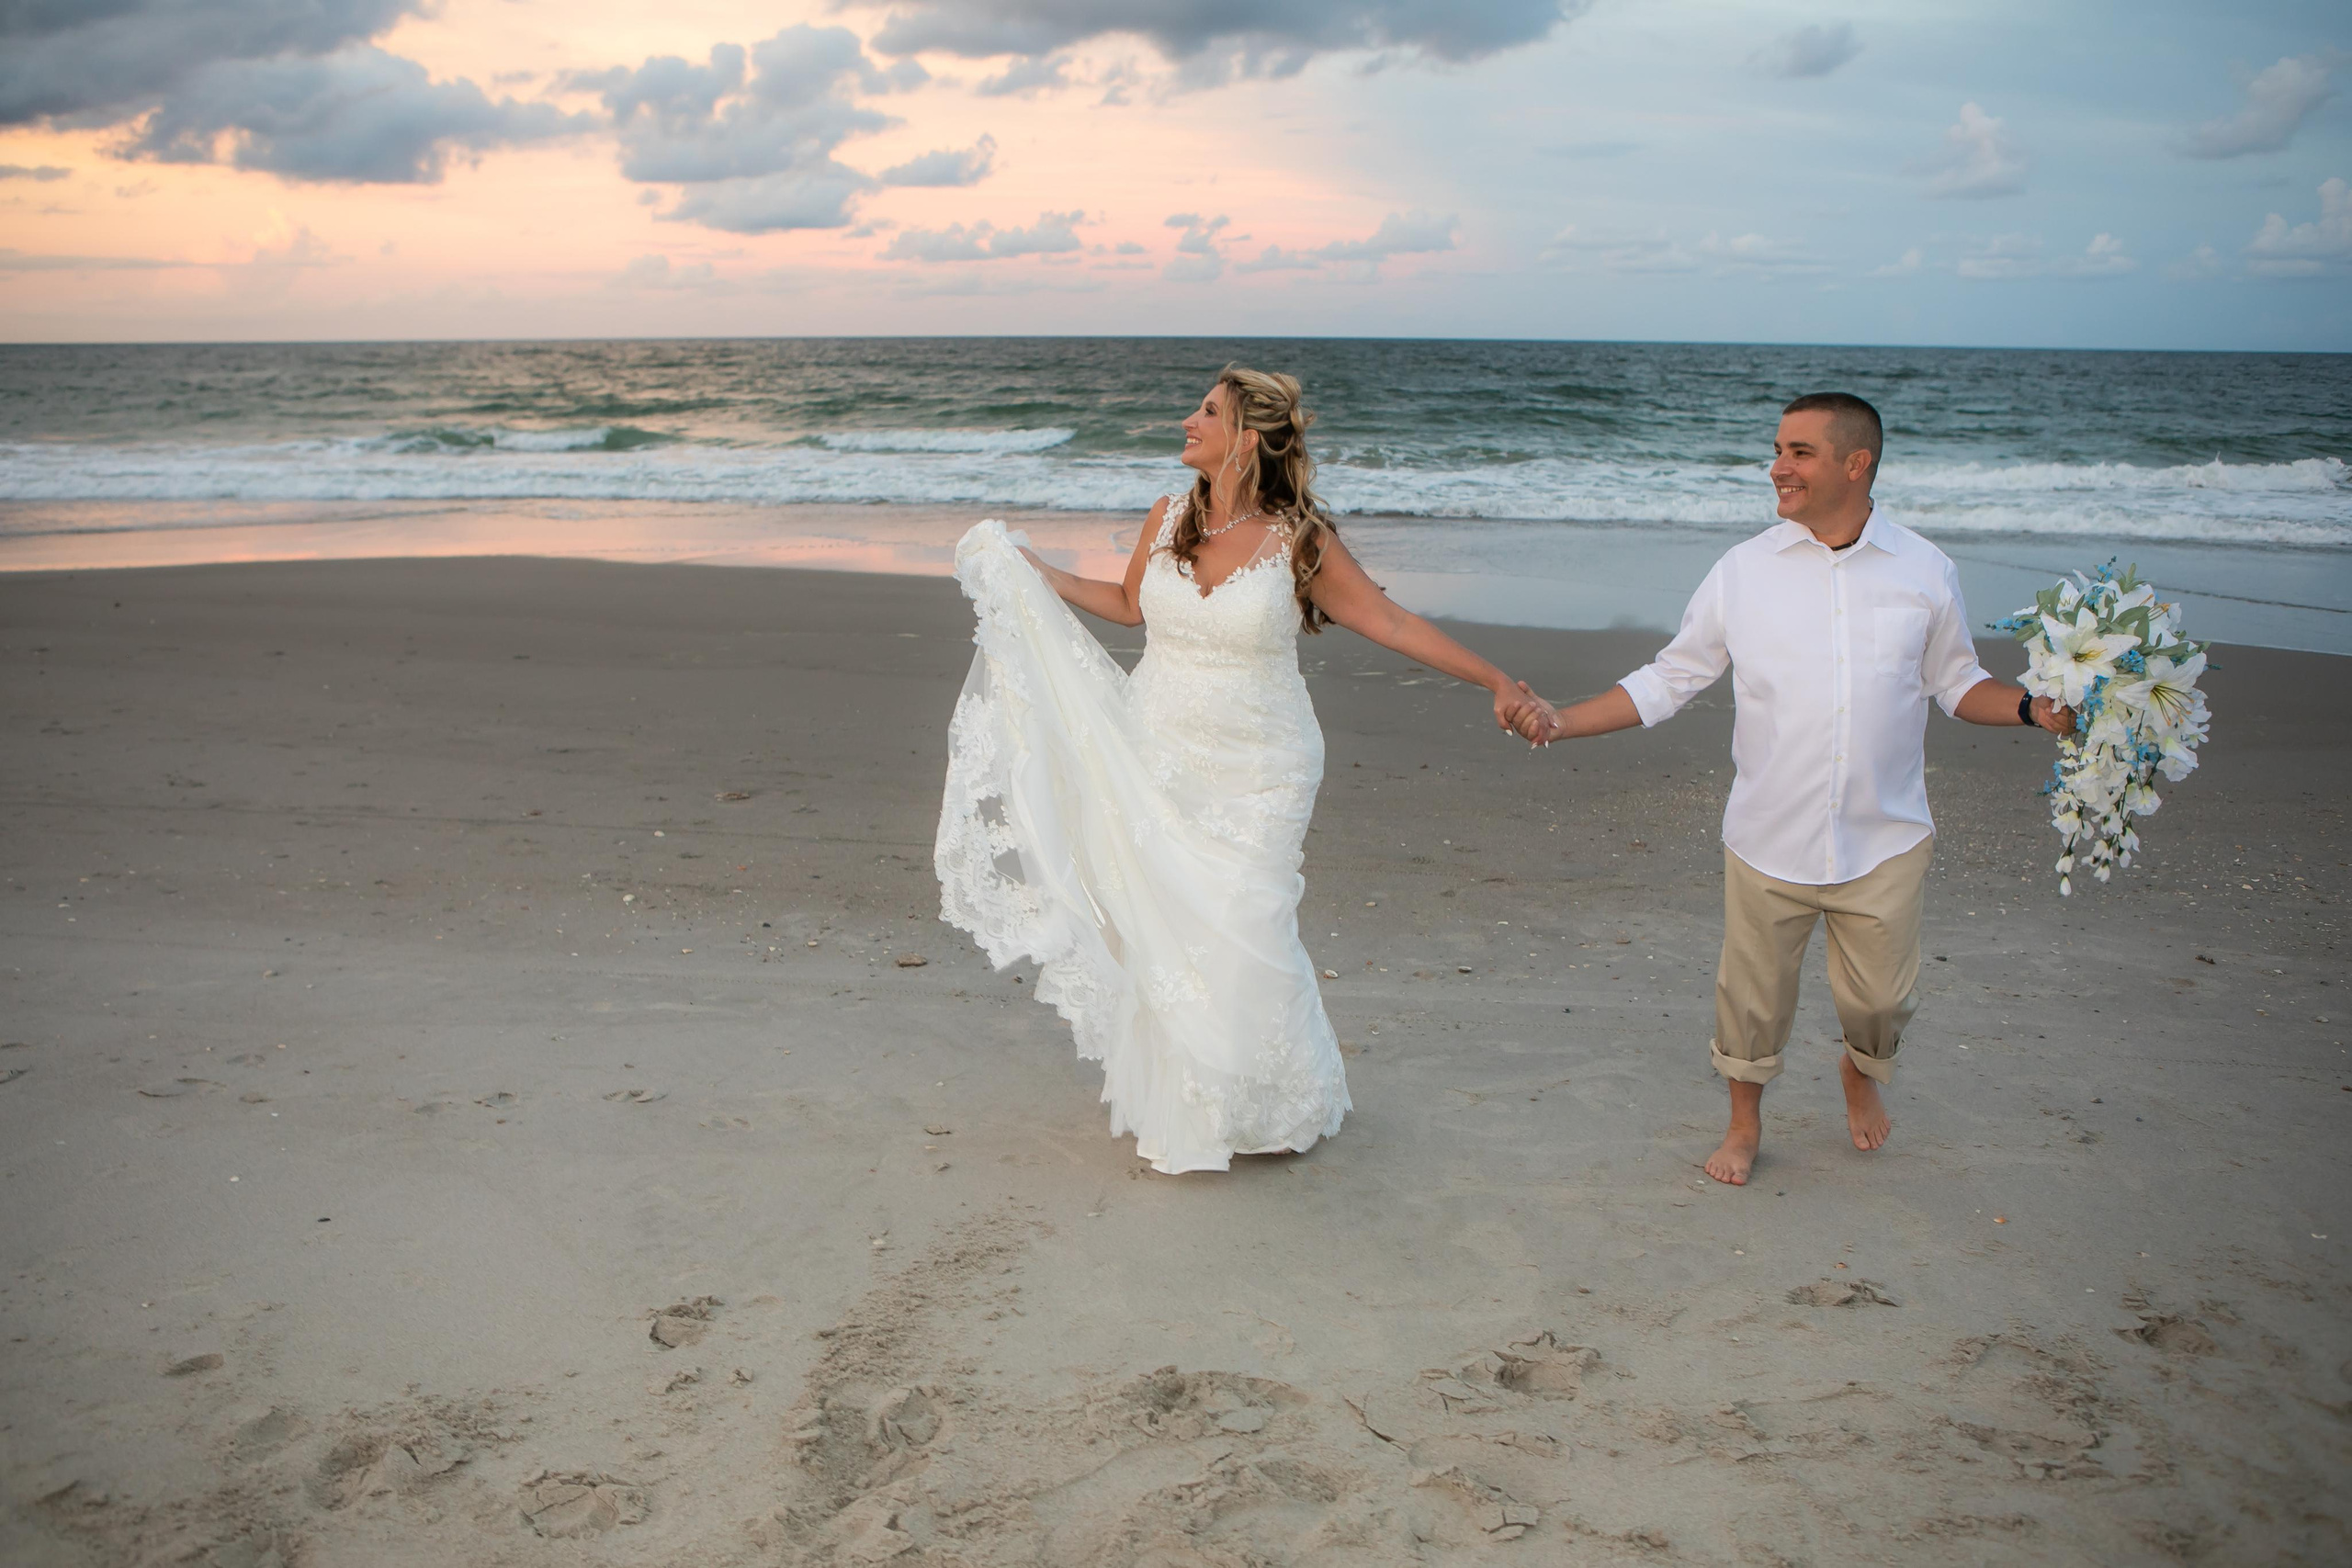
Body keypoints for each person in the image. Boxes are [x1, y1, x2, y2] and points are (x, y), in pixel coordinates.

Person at [935, 366, 1552, 1173]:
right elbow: (1128, 604)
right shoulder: (1167, 517)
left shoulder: (1300, 537)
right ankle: (1201, 1107)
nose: (1189, 419)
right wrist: (1036, 572)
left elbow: (1389, 619)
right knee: (1175, 929)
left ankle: (1273, 1104)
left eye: (1208, 411)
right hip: (1157, 752)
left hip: (1263, 763)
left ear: (1249, 438)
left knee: (1246, 923)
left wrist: (1496, 680)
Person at [1520, 392, 2072, 1185]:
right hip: (1768, 835)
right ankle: (1743, 1126)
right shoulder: (1744, 571)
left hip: (1884, 837)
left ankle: (1860, 1069)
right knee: (1750, 1002)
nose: (1778, 466)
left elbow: (1956, 683)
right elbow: (1672, 676)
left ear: (1858, 464)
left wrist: (2030, 708)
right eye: (1777, 449)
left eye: (1800, 452)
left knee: (1882, 1003)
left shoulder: (1923, 570)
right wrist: (1561, 722)